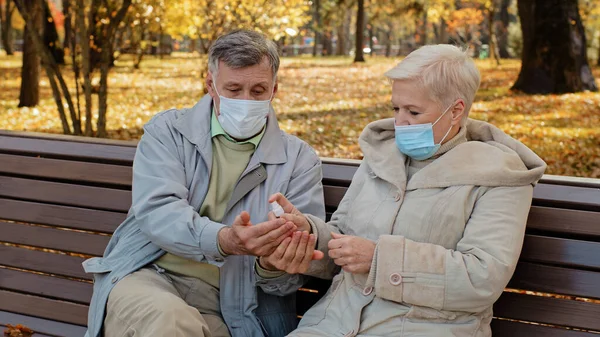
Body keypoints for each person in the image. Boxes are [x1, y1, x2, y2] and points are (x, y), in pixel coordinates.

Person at [259, 44, 547, 336]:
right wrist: (305, 234)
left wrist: (379, 259)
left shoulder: (499, 176)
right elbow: (342, 240)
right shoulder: (381, 157)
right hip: (334, 324)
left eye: (414, 111)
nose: (400, 122)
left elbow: (481, 279)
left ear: (456, 111)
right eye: (395, 108)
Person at [82, 29, 325, 337]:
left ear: (274, 90)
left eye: (258, 90)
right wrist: (223, 240)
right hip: (150, 275)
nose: (246, 100)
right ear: (211, 85)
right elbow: (158, 211)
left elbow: (291, 275)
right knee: (169, 322)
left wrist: (273, 264)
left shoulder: (299, 161)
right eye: (234, 89)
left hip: (233, 305)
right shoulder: (168, 132)